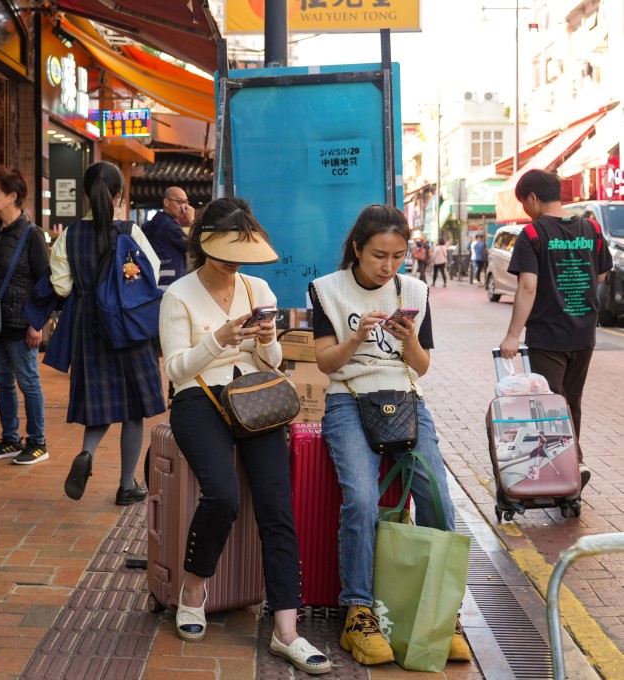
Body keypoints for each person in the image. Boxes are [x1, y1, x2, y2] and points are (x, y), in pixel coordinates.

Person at [159, 196, 330, 675]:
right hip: (198, 398)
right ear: (205, 245)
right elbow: (175, 370)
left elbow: (271, 363)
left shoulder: (258, 289)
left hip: (255, 394)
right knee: (224, 497)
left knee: (278, 507)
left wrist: (266, 338)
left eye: (243, 253)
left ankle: (286, 630)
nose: (236, 263)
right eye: (228, 252)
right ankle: (194, 588)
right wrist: (219, 339)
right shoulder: (179, 295)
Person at [310, 204, 469, 667]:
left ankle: (442, 612)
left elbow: (421, 367)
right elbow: (325, 364)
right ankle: (358, 611)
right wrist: (357, 337)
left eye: (398, 256)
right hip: (347, 398)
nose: (389, 266)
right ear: (357, 248)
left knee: (440, 499)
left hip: (404, 398)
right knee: (360, 498)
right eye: (380, 255)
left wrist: (408, 340)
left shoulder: (414, 290)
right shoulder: (327, 290)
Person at [52, 161, 165, 505]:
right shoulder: (131, 231)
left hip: (90, 327)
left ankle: (87, 453)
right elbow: (153, 272)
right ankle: (127, 484)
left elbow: (60, 287)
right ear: (119, 195)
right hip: (129, 326)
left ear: (84, 194)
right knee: (134, 410)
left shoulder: (68, 236)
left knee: (99, 404)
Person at [498, 169, 611, 492]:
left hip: (548, 334)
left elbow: (527, 287)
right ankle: (572, 463)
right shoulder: (591, 229)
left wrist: (512, 335)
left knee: (550, 403)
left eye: (524, 203)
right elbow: (601, 276)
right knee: (571, 401)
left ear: (532, 198)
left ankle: (570, 466)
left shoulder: (532, 234)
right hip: (584, 331)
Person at [0, 167, 50, 465]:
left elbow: (45, 282)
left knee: (28, 381)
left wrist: (37, 323)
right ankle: (10, 438)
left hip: (22, 324)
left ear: (12, 196)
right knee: (3, 382)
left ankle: (37, 442)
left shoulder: (31, 235)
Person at [141, 186, 191, 289]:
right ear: (166, 202)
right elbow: (191, 246)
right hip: (171, 282)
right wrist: (192, 220)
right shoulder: (169, 226)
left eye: (186, 202)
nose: (184, 207)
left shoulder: (154, 223)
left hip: (157, 280)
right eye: (179, 202)